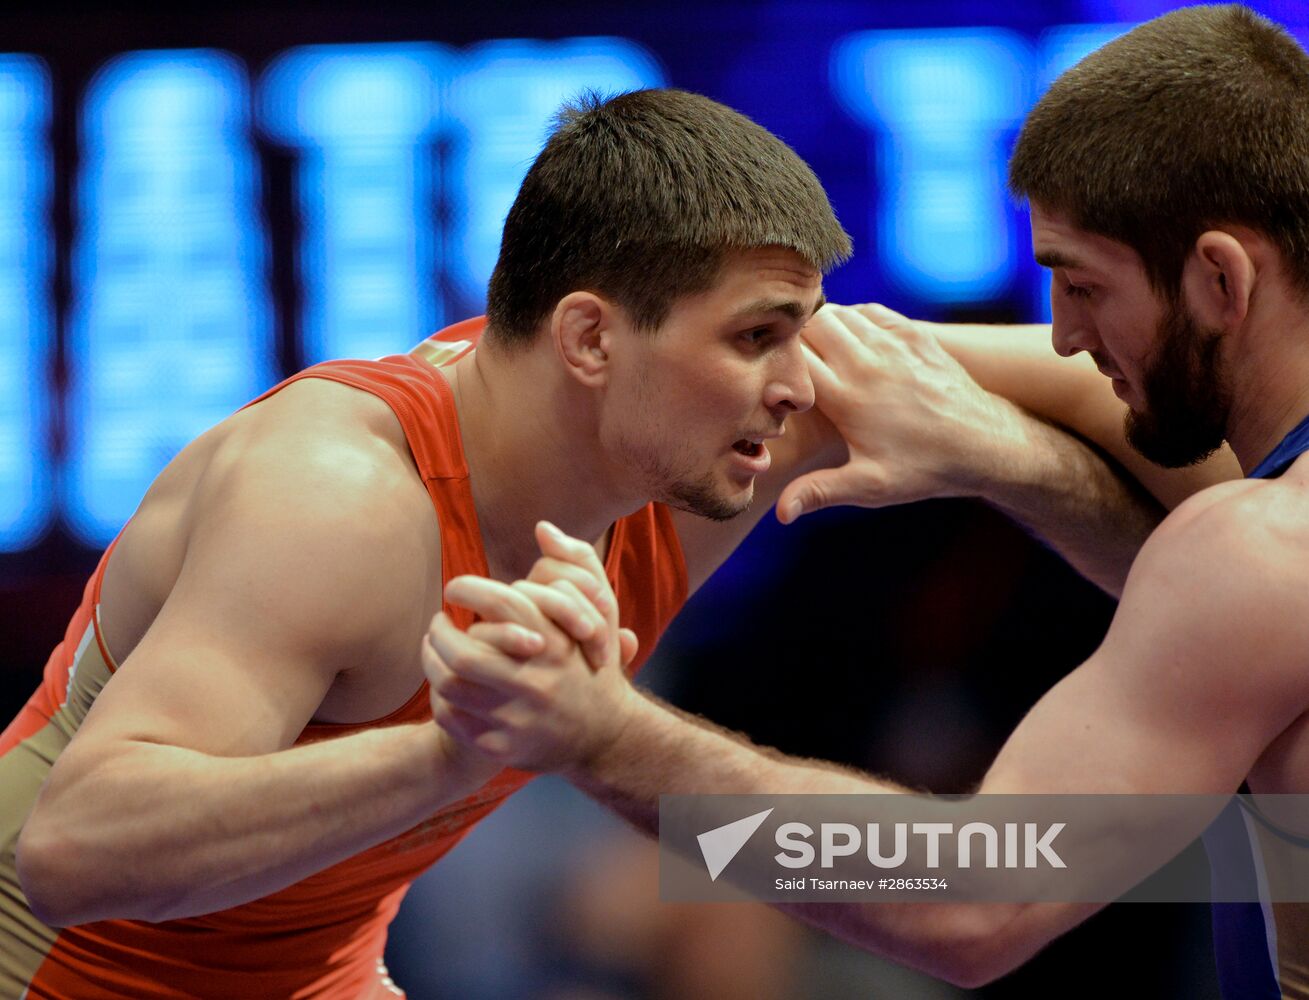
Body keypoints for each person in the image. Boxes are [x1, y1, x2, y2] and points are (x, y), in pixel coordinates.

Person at [420, 5, 1309, 996]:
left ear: (1219, 278)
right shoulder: (1262, 543)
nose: (1061, 338)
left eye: (1083, 287)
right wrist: (1004, 452)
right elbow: (1207, 589)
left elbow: (969, 903)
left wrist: (605, 737)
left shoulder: (1260, 551)